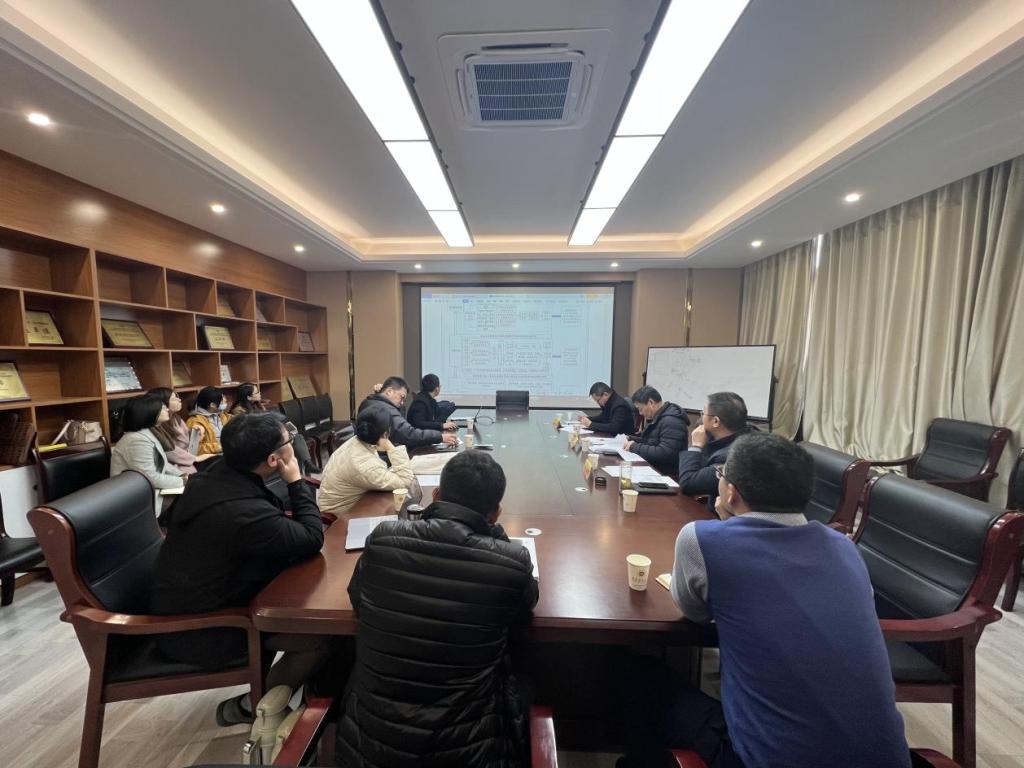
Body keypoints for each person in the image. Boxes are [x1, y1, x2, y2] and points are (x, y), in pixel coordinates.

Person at [626, 433, 909, 768]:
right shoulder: (844, 548)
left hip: (764, 761)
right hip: (887, 759)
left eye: (720, 476)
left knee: (641, 677)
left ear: (730, 492)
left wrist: (726, 526)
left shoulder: (703, 539)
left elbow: (693, 612)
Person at [336, 450, 539, 766]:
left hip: (368, 748)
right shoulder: (511, 561)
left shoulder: (383, 539)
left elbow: (358, 598)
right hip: (471, 751)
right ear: (496, 512)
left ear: (436, 495)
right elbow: (523, 611)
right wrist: (495, 533)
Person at [151, 412, 329, 726]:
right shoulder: (241, 511)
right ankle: (254, 706)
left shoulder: (215, 474)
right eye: (289, 439)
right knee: (323, 634)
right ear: (273, 459)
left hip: (195, 600)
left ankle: (301, 699)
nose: (294, 441)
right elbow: (312, 538)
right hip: (202, 629)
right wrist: (296, 481)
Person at [317, 406, 415, 515]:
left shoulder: (356, 441)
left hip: (341, 502)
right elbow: (405, 482)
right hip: (340, 515)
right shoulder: (365, 464)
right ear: (386, 433)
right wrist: (390, 447)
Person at [678, 392, 751, 512]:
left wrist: (696, 446)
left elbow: (688, 483)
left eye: (703, 413)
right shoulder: (746, 435)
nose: (701, 418)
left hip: (722, 517)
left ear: (715, 421)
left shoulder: (731, 456)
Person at [110, 393, 185, 508]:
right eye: (162, 407)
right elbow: (149, 477)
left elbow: (162, 464)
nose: (167, 409)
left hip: (150, 489)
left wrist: (182, 475)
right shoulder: (136, 440)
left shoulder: (148, 432)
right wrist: (182, 481)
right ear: (148, 412)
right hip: (137, 497)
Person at [358, 375, 456, 450]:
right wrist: (439, 437)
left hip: (373, 452)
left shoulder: (368, 401)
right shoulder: (386, 409)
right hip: (386, 456)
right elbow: (409, 434)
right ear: (389, 391)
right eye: (402, 397)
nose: (402, 403)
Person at [623, 386, 689, 475]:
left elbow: (665, 453)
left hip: (666, 474)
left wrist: (634, 447)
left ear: (651, 402)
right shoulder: (657, 417)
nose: (640, 413)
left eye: (640, 409)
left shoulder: (672, 422)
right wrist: (631, 439)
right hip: (654, 468)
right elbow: (650, 441)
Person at [148, 387, 214, 476]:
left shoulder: (176, 417)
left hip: (188, 455)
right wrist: (195, 458)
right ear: (162, 404)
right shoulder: (160, 423)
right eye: (174, 399)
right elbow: (168, 450)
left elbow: (184, 438)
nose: (179, 400)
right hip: (176, 462)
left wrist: (194, 431)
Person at [187, 385, 232, 454]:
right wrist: (219, 447)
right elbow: (196, 449)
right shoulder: (195, 421)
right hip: (213, 456)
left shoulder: (222, 415)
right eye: (222, 401)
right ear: (212, 405)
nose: (226, 401)